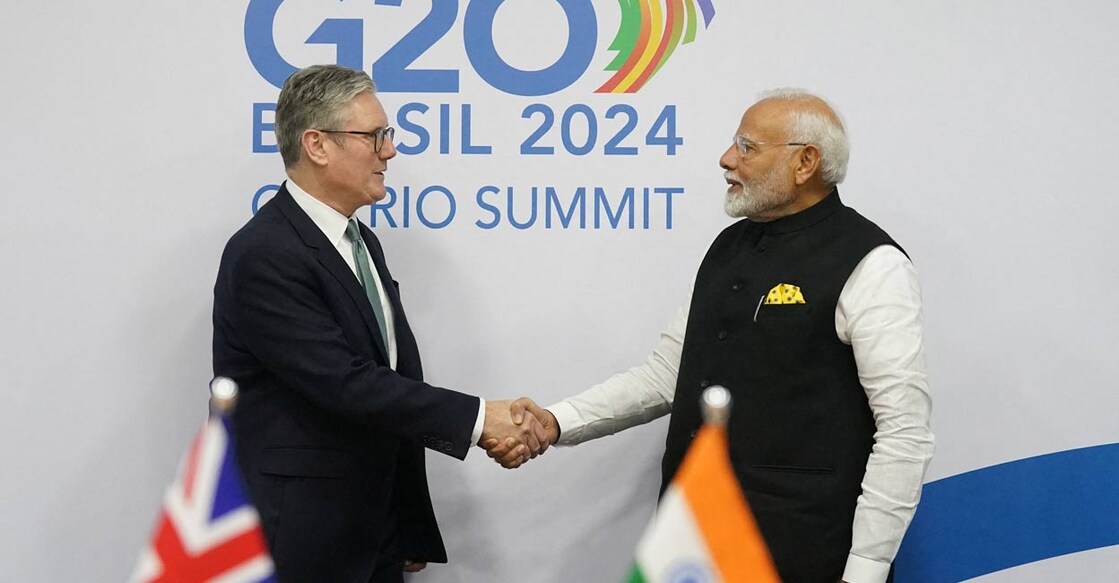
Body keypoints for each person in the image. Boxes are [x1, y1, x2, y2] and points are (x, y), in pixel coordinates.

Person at [491, 90, 934, 583]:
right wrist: (556, 422)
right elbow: (668, 376)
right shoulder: (727, 247)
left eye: (747, 147)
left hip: (803, 555)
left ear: (805, 162)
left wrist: (866, 571)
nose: (727, 160)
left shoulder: (873, 263)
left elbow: (904, 432)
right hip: (693, 550)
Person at [212, 64, 547, 583]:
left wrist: (406, 521)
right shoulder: (264, 253)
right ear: (317, 145)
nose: (389, 151)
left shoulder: (361, 242)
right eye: (374, 136)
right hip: (301, 542)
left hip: (375, 535)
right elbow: (347, 384)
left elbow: (392, 383)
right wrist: (482, 421)